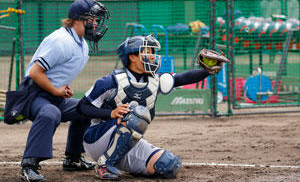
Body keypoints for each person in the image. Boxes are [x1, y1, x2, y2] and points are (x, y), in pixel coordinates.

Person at [76, 35, 224, 180]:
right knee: (134, 115)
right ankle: (104, 165)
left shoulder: (155, 80)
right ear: (132, 57)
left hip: (127, 142)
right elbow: (82, 107)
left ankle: (122, 164)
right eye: (148, 51)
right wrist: (111, 113)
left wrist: (207, 70)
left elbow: (183, 78)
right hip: (97, 139)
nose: (153, 56)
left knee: (168, 165)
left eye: (153, 52)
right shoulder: (110, 81)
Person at [20, 0, 110, 182]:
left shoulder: (82, 44)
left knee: (85, 108)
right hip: (32, 94)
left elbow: (56, 74)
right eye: (92, 19)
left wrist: (61, 88)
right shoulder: (60, 40)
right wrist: (54, 90)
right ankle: (28, 166)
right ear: (78, 19)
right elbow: (35, 72)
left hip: (50, 94)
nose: (96, 24)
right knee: (50, 113)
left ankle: (73, 158)